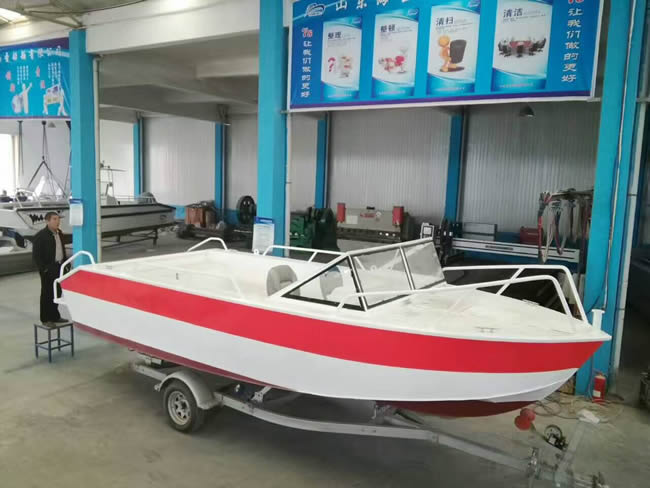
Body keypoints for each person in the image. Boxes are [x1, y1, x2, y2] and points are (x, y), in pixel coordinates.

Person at [32, 212, 68, 326]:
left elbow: (62, 249)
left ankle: (54, 316)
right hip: (48, 269)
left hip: (60, 267)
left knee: (57, 292)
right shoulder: (40, 236)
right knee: (47, 293)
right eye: (54, 219)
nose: (58, 221)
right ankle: (46, 319)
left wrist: (66, 264)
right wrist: (44, 270)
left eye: (58, 219)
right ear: (48, 221)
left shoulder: (59, 233)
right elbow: (36, 256)